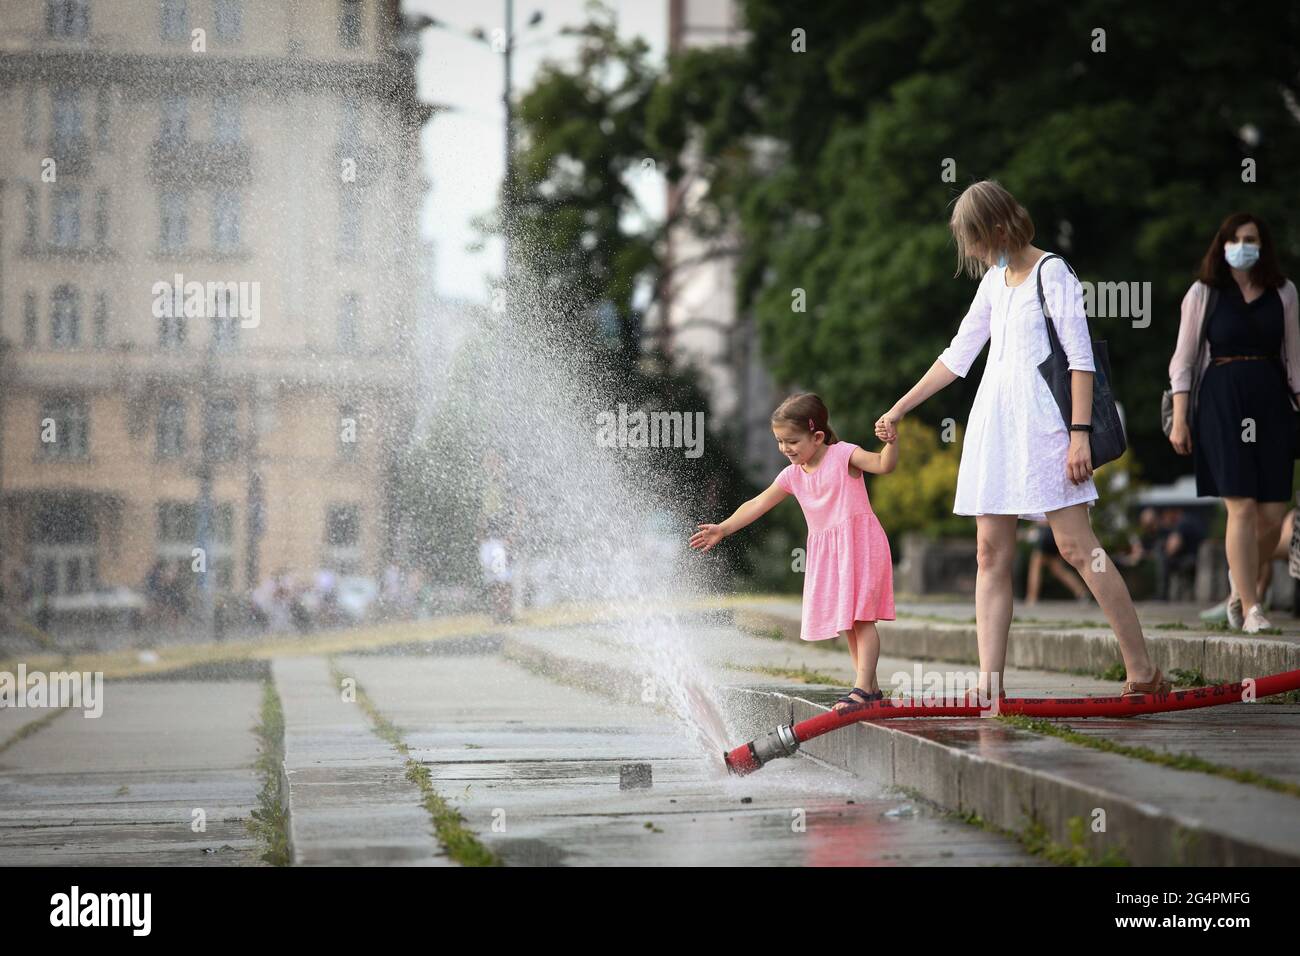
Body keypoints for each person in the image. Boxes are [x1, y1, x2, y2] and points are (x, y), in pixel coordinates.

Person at [876, 179, 1169, 698]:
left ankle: (1143, 671)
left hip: (1048, 429)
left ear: (996, 225)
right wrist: (899, 407)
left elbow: (1081, 361)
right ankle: (991, 685)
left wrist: (1080, 436)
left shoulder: (1052, 273)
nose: (968, 249)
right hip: (996, 428)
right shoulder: (993, 281)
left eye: (971, 236)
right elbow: (957, 355)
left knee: (1079, 548)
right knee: (989, 554)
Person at [690, 393, 898, 712]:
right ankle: (869, 687)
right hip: (830, 555)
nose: (785, 448)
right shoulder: (792, 476)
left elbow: (884, 465)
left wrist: (891, 441)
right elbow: (758, 503)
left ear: (817, 437)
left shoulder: (844, 455)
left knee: (862, 618)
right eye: (779, 441)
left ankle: (862, 689)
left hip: (859, 545)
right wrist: (724, 528)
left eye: (792, 441)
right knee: (847, 622)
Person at [1167, 212, 1300, 633]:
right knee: (1240, 504)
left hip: (1272, 400)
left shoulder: (1284, 292)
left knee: (1274, 513)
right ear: (1223, 244)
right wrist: (1181, 420)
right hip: (1222, 399)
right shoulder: (1204, 292)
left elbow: (1294, 359)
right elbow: (1184, 361)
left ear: (1264, 245)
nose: (1245, 244)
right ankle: (1252, 607)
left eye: (1253, 238)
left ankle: (1236, 582)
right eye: (1238, 238)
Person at [1025, 521, 1089, 604]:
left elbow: (1043, 520)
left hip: (1046, 532)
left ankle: (1032, 598)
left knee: (1035, 567)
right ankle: (1081, 592)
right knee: (1058, 569)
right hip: (1055, 533)